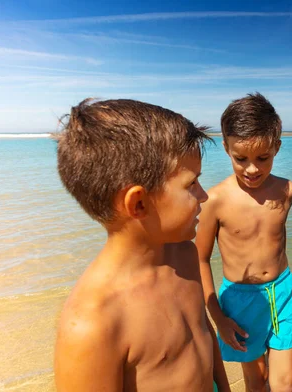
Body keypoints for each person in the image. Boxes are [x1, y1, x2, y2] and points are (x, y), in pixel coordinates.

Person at [53, 99, 229, 391]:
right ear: (138, 203)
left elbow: (203, 335)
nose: (204, 196)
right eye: (191, 185)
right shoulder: (93, 324)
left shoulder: (185, 256)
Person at [197, 93, 292, 392]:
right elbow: (200, 259)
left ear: (276, 147)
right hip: (239, 300)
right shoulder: (214, 201)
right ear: (226, 147)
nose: (252, 169)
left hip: (282, 291)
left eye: (262, 158)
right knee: (256, 378)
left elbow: (275, 240)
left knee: (285, 381)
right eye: (241, 159)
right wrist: (218, 317)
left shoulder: (287, 190)